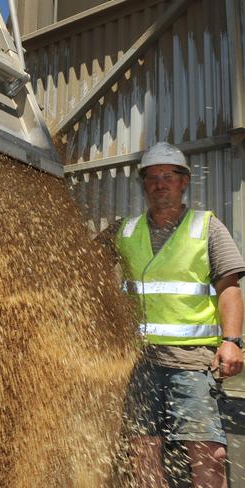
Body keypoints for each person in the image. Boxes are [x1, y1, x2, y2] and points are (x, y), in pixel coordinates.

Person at [104, 142, 245, 487]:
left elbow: (229, 288)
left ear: (184, 182)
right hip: (142, 361)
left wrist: (232, 341)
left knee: (208, 452)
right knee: (142, 449)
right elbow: (81, 261)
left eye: (168, 176)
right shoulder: (125, 230)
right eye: (152, 178)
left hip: (193, 362)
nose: (159, 184)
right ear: (144, 185)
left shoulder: (206, 227)